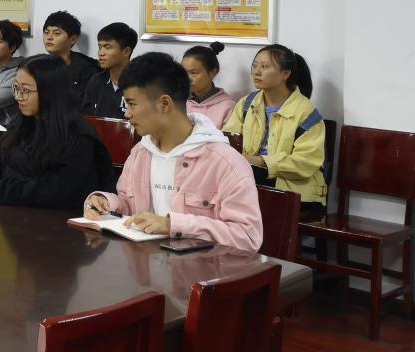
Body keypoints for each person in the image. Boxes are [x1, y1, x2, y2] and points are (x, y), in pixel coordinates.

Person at [83, 53, 262, 250]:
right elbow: (128, 205)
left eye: (132, 104)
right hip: (143, 262)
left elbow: (247, 237)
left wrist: (172, 225)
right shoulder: (140, 153)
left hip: (199, 267)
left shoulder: (225, 162)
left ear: (165, 104)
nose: (127, 113)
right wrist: (106, 203)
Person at [0, 55, 114, 210]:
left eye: (26, 90)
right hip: (14, 215)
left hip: (54, 221)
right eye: (16, 88)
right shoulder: (22, 124)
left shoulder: (78, 136)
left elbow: (57, 192)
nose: (18, 97)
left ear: (50, 92)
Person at [224, 44, 326, 211]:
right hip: (252, 181)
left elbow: (305, 162)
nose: (257, 72)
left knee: (243, 182)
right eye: (255, 65)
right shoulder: (246, 104)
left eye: (264, 67)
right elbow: (228, 141)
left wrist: (259, 161)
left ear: (286, 74)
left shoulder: (306, 112)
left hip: (296, 191)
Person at [81, 22, 137, 119]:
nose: (101, 53)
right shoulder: (96, 81)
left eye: (107, 47)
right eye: (100, 47)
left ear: (126, 51)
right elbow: (86, 117)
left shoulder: (140, 84)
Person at [41, 10, 100, 93]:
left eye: (56, 33)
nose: (49, 37)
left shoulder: (85, 70)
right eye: (46, 32)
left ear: (73, 39)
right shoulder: (37, 65)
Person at [183, 42, 237, 129]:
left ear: (213, 73)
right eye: (183, 72)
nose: (187, 78)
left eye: (193, 73)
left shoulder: (227, 107)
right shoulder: (180, 102)